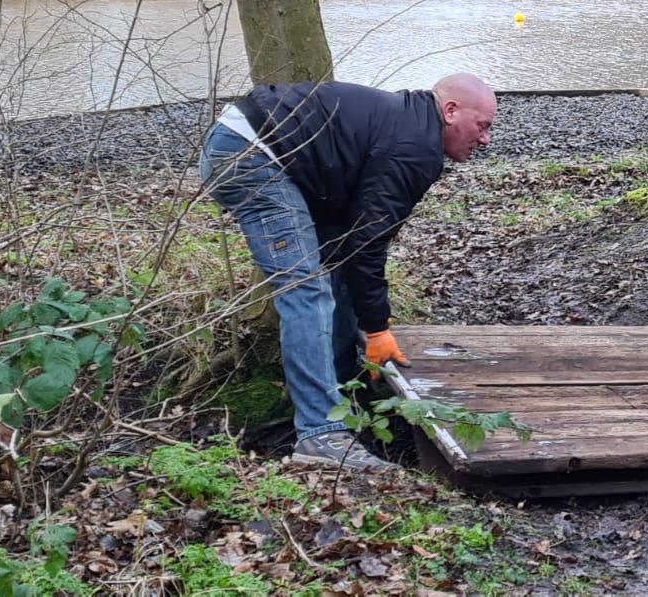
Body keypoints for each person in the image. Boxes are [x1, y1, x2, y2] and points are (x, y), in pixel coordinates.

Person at [198, 73, 497, 470]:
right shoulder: (415, 146)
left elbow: (352, 243)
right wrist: (376, 329)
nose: (486, 139)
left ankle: (340, 392)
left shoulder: (412, 126)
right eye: (483, 126)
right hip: (251, 156)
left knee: (333, 267)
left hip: (263, 150)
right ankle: (321, 436)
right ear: (451, 110)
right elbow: (368, 242)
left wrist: (371, 319)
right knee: (306, 288)